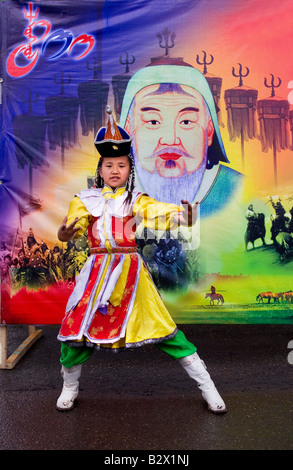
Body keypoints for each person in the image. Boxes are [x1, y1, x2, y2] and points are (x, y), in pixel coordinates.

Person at [56, 107, 226, 414]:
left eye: (121, 165)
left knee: (165, 331)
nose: (115, 170)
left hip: (131, 277)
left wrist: (184, 215)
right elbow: (67, 232)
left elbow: (164, 214)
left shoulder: (137, 201)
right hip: (96, 277)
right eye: (109, 165)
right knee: (75, 332)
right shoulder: (84, 200)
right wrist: (64, 231)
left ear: (128, 170)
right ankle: (70, 387)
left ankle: (208, 386)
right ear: (101, 169)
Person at [119, 59, 243, 215]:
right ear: (128, 130)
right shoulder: (111, 190)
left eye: (186, 121)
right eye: (153, 121)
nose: (170, 140)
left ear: (209, 131)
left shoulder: (238, 189)